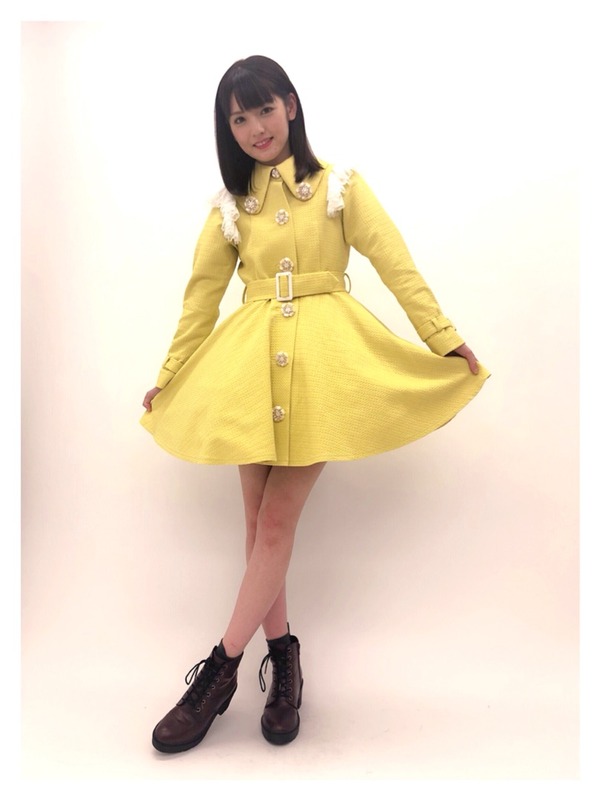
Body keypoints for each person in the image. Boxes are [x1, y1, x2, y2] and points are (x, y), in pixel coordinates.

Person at [140, 55, 489, 754]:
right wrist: (170, 373)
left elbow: (396, 264)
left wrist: (443, 339)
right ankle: (286, 668)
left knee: (275, 523)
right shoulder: (230, 208)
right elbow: (200, 300)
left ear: (291, 106)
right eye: (239, 118)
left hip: (324, 367)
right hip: (250, 370)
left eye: (265, 109)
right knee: (256, 527)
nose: (255, 127)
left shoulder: (339, 187)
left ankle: (219, 670)